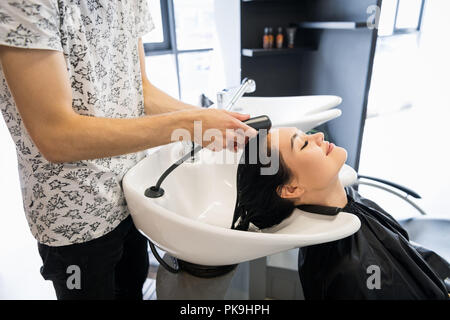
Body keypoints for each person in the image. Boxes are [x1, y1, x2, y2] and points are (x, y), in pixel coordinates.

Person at [0, 1, 256, 300]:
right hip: (76, 219)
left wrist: (214, 122)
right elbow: (56, 136)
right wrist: (190, 123)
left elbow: (141, 90)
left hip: (132, 194)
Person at [232, 127, 450, 299]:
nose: (318, 135)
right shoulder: (349, 269)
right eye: (304, 144)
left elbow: (406, 253)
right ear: (291, 189)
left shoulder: (349, 198)